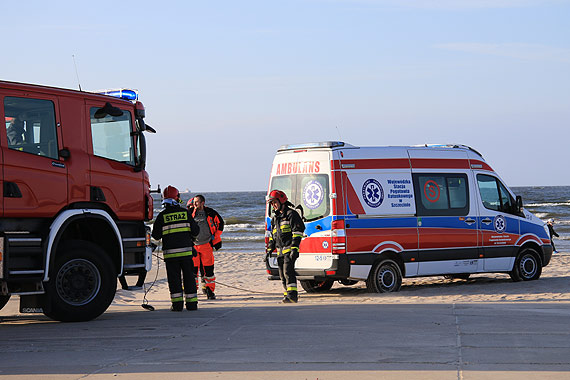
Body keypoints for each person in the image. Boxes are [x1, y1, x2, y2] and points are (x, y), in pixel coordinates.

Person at [151, 185, 200, 311]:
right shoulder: (185, 213)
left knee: (174, 280)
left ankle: (177, 305)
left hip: (171, 255)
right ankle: (192, 305)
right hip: (186, 253)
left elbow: (156, 236)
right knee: (189, 278)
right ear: (177, 198)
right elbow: (196, 231)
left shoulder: (162, 216)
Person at [265, 190, 305, 303]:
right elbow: (273, 236)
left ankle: (292, 296)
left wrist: (295, 248)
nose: (273, 205)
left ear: (281, 200)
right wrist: (269, 249)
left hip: (289, 250)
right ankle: (287, 295)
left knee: (288, 272)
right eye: (272, 203)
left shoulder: (291, 215)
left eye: (274, 202)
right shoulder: (275, 218)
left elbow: (298, 232)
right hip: (280, 252)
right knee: (282, 275)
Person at [187, 194, 224, 300]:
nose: (194, 204)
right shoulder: (189, 213)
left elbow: (220, 224)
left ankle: (210, 291)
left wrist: (215, 237)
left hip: (207, 245)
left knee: (208, 271)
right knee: (193, 271)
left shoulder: (211, 213)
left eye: (197, 202)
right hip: (193, 246)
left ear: (202, 203)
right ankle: (192, 290)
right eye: (194, 202)